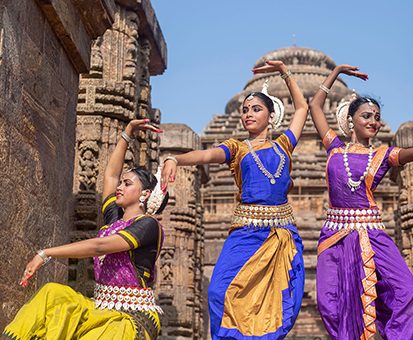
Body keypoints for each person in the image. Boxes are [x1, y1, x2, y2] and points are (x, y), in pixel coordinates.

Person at [308, 64, 413, 339]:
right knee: (332, 304)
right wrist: (337, 72)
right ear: (350, 120)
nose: (373, 122)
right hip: (335, 236)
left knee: (407, 290)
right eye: (366, 116)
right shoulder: (335, 147)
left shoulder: (382, 155)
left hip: (372, 233)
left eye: (377, 117)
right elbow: (315, 107)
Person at [161, 60, 308, 339]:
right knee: (219, 290)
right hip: (245, 231)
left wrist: (284, 72)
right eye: (245, 110)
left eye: (256, 109)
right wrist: (175, 158)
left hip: (280, 234)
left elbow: (301, 108)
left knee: (277, 301)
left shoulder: (285, 145)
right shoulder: (236, 148)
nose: (248, 115)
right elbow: (205, 156)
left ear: (271, 115)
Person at [2, 119, 168, 339]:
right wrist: (127, 133)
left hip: (130, 319)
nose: (119, 187)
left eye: (127, 184)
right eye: (121, 183)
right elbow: (110, 174)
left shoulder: (148, 226)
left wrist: (46, 253)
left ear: (145, 194)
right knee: (53, 295)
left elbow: (100, 246)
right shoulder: (113, 220)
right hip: (99, 309)